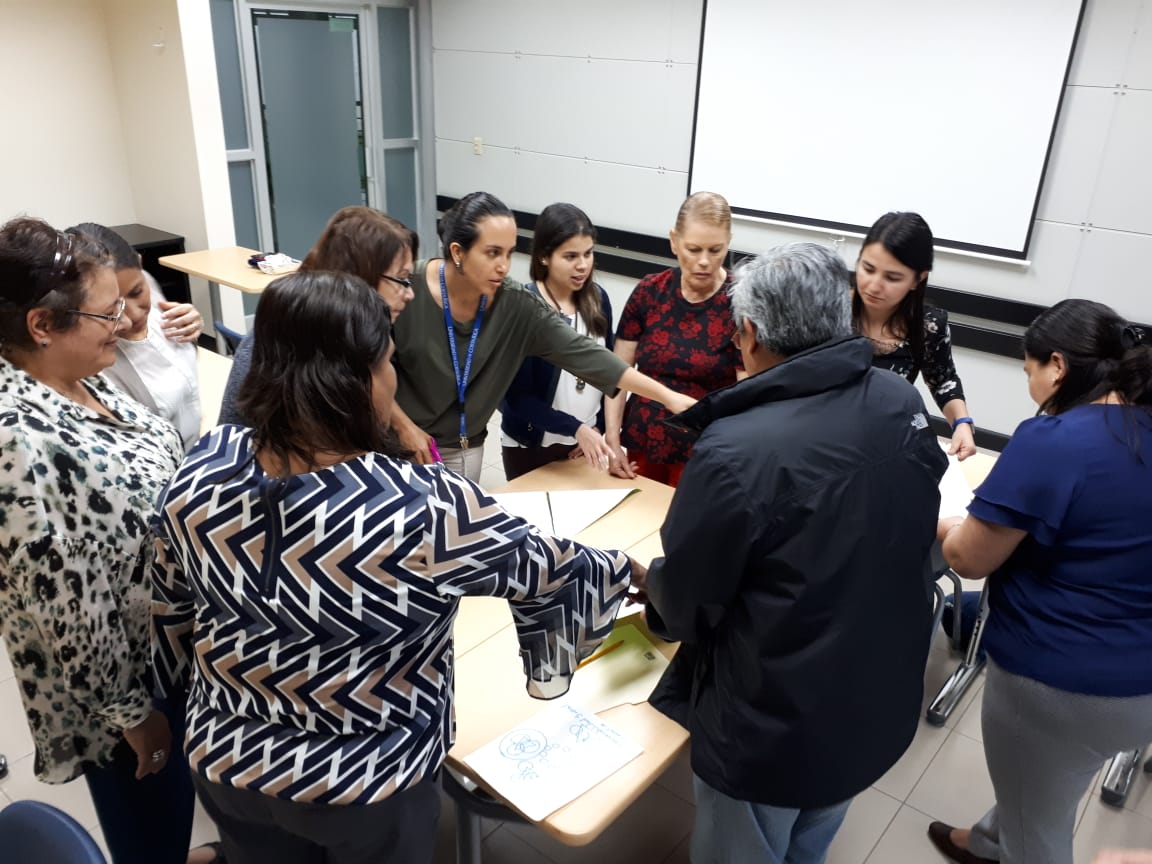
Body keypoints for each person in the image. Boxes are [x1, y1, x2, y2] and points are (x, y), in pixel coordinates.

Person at [151, 270, 639, 864]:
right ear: (351, 384)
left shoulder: (206, 462)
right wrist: (632, 572)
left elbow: (172, 601)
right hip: (364, 785)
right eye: (387, 362)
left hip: (227, 758)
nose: (393, 379)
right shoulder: (420, 508)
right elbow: (548, 567)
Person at [641, 242, 947, 863]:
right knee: (810, 839)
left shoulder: (735, 449)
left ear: (748, 334)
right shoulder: (899, 403)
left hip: (773, 724)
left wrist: (652, 589)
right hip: (871, 693)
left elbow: (692, 604)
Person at [0, 217, 200, 864]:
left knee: (177, 803)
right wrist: (132, 714)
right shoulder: (15, 440)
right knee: (151, 824)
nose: (123, 322)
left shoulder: (84, 371)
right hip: (117, 687)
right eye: (105, 311)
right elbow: (64, 603)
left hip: (166, 642)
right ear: (40, 325)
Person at [928, 299, 1152, 864]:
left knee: (1041, 841)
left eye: (1026, 371)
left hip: (1059, 683)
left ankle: (1012, 844)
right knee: (1050, 782)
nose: (1029, 383)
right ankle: (985, 842)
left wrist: (946, 522)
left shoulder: (1051, 440)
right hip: (1138, 678)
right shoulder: (1143, 425)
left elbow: (971, 559)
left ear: (1056, 364)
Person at [389, 191, 695, 483]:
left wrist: (668, 397)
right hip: (395, 441)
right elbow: (362, 370)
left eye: (509, 253)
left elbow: (589, 356)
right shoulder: (402, 287)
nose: (504, 266)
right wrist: (404, 427)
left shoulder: (515, 304)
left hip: (463, 447)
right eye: (493, 253)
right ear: (458, 252)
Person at [218, 205, 418, 427]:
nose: (410, 294)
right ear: (360, 276)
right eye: (401, 279)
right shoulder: (271, 345)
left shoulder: (360, 332)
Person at [604, 191, 744, 487]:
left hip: (706, 451)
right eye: (693, 249)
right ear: (674, 241)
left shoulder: (740, 302)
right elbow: (617, 373)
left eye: (715, 250)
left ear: (728, 243)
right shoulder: (648, 292)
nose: (704, 261)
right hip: (643, 443)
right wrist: (612, 438)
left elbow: (746, 391)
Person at [499, 202, 616, 479]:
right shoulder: (524, 307)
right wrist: (575, 428)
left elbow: (610, 372)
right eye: (570, 256)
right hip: (530, 447)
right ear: (543, 257)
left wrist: (597, 427)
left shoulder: (599, 300)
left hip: (584, 444)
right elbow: (516, 399)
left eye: (588, 253)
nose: (583, 265)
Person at [853, 211, 977, 460]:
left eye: (892, 277)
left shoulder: (929, 326)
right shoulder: (827, 310)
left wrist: (962, 423)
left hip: (880, 445)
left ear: (918, 279)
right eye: (867, 268)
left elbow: (943, 380)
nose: (874, 285)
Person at [69, 222, 203, 450]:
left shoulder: (147, 283)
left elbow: (181, 368)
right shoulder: (95, 358)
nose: (130, 317)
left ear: (140, 265)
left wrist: (191, 330)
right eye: (110, 310)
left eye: (137, 292)